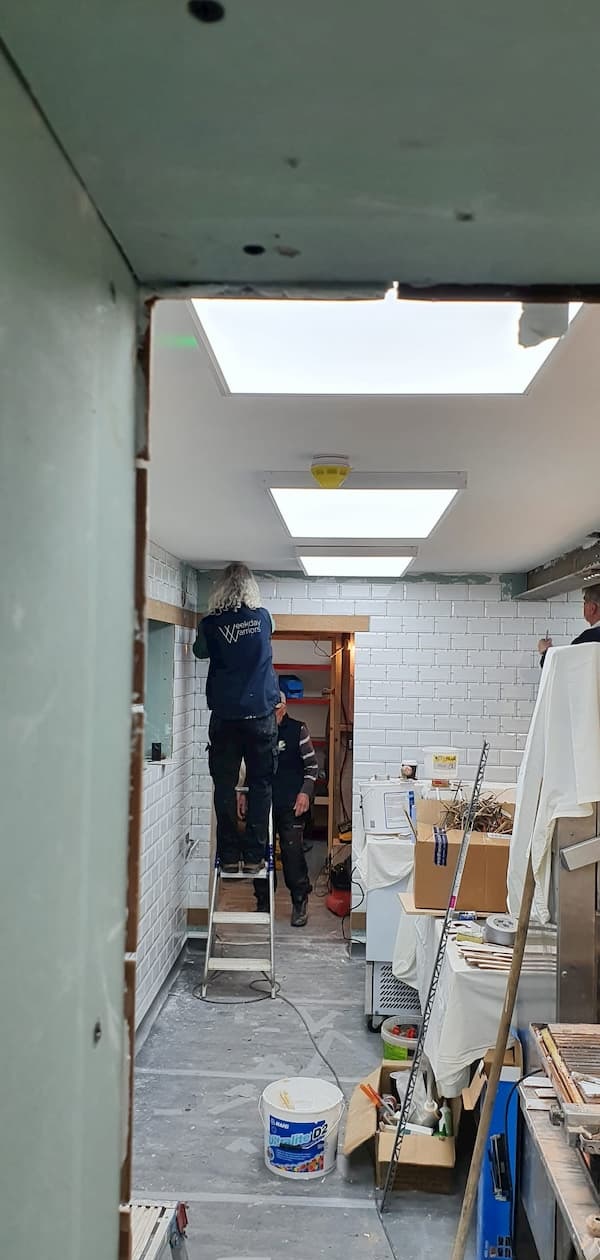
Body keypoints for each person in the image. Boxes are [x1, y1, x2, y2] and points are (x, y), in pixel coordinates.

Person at [193, 562, 280, 875]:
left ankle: (229, 854)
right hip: (261, 716)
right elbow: (268, 635)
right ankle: (256, 855)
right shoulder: (263, 618)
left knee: (225, 785)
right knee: (261, 785)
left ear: (220, 589)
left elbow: (198, 652)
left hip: (226, 716)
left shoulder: (210, 624)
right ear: (250, 589)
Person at [237, 692, 318, 927]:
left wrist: (305, 792)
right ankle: (263, 902)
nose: (272, 713)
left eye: (276, 709)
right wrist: (243, 792)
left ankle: (299, 901)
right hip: (261, 802)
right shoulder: (257, 731)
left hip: (291, 803)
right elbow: (249, 766)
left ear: (284, 707)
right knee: (260, 853)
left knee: (293, 855)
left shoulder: (298, 730)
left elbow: (312, 766)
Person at [537, 583, 600, 667]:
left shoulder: (590, 638)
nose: (583, 606)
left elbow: (562, 669)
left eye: (585, 602)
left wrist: (546, 651)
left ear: (592, 608)